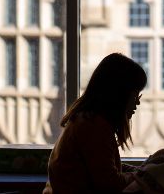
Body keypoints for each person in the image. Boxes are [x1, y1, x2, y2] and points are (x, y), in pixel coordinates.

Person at [44, 53, 147, 194]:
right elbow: (110, 184)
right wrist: (145, 176)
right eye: (135, 95)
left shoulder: (88, 121)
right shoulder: (93, 128)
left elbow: (103, 167)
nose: (138, 102)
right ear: (119, 95)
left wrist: (142, 170)